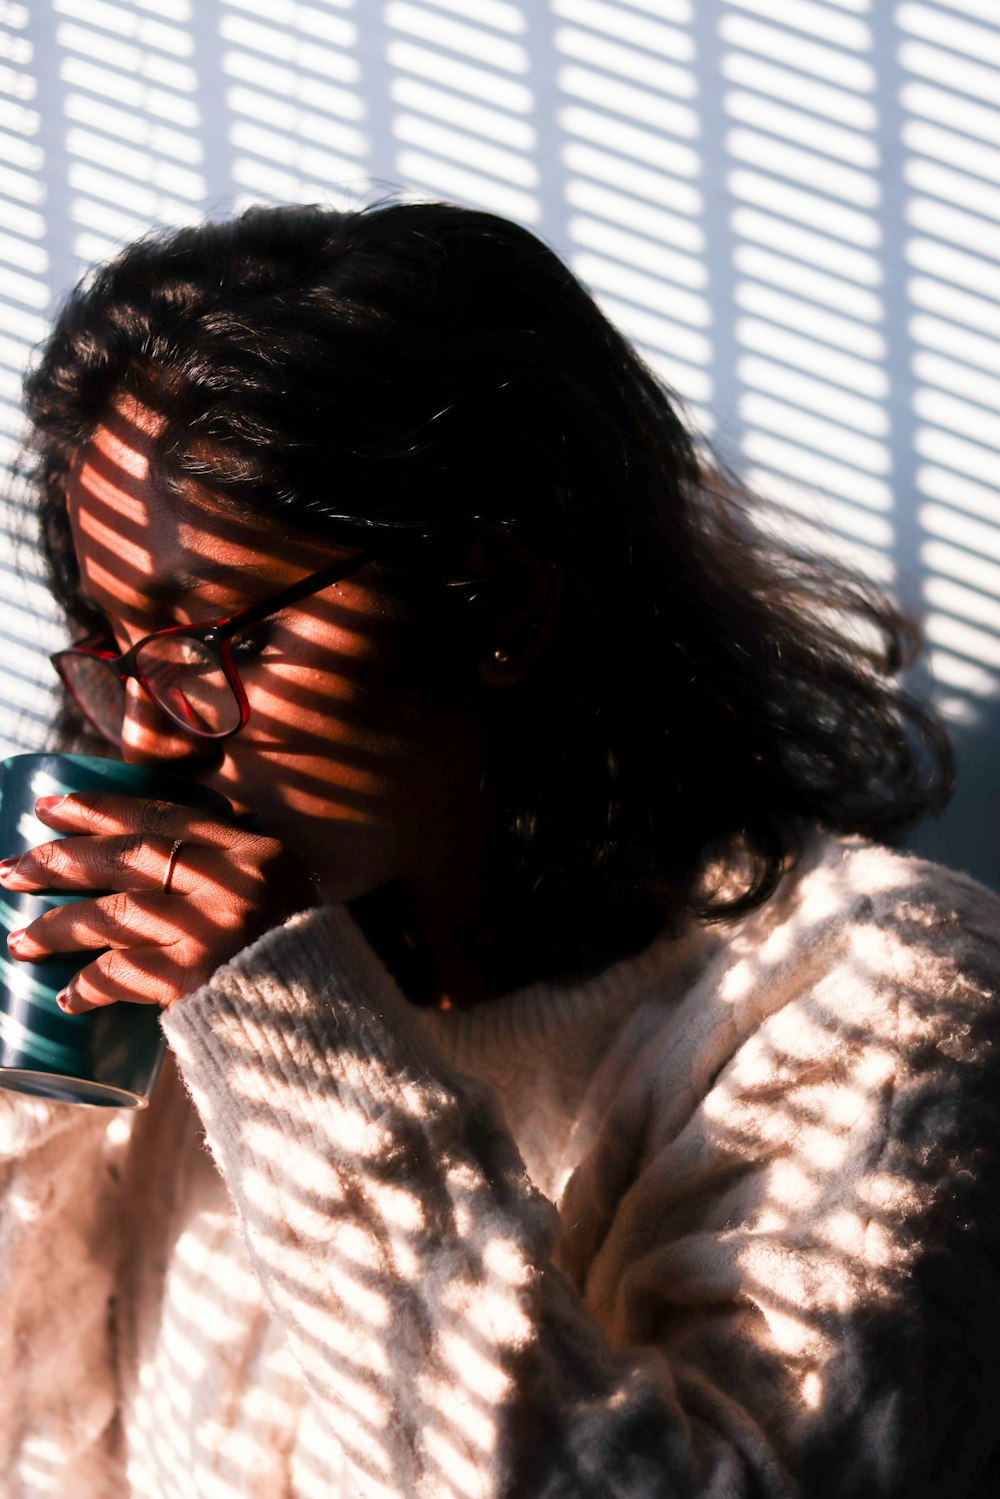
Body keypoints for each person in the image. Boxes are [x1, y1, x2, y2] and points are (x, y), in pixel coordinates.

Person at [2, 199, 999, 1498]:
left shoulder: (871, 998)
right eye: (114, 648)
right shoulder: (158, 1017)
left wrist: (295, 1042)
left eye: (227, 646)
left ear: (498, 600)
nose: (145, 733)